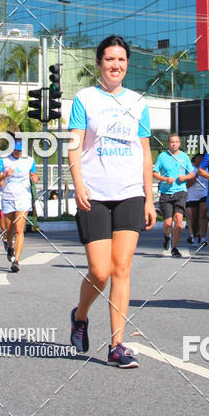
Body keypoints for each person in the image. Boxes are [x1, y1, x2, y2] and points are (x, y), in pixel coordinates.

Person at [68, 35, 156, 369]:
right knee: (100, 271)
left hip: (130, 192)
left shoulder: (139, 101)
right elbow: (74, 145)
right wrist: (77, 184)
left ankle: (117, 345)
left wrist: (149, 198)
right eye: (109, 60)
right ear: (99, 63)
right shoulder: (84, 98)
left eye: (121, 60)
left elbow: (145, 152)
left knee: (121, 269)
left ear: (127, 64)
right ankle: (80, 315)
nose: (115, 65)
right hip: (94, 193)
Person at [0, 138, 38, 273]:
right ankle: (10, 247)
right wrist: (5, 175)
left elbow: (34, 175)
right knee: (9, 230)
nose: (18, 153)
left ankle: (16, 261)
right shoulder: (3, 160)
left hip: (23, 198)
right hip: (7, 197)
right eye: (15, 150)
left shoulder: (29, 160)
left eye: (20, 151)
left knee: (19, 229)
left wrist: (35, 178)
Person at [152, 134, 194, 257]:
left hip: (180, 191)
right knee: (168, 223)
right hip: (166, 193)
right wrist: (165, 179)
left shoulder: (184, 157)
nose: (174, 144)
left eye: (176, 142)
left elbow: (191, 173)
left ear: (179, 143)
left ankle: (175, 247)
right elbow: (154, 173)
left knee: (179, 220)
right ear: (168, 143)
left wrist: (185, 177)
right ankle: (167, 236)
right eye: (171, 142)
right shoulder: (162, 156)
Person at [185, 153, 208, 246]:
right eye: (199, 159)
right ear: (194, 160)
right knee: (193, 217)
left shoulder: (208, 170)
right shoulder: (190, 170)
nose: (201, 161)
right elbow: (187, 184)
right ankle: (193, 235)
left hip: (204, 194)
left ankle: (203, 237)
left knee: (203, 214)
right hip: (192, 196)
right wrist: (196, 175)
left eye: (203, 159)